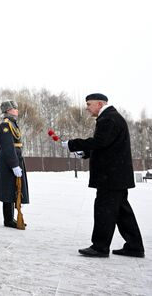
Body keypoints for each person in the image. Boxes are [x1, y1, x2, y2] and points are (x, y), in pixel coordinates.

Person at [62, 93, 145, 258]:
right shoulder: (111, 117)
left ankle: (100, 247)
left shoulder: (108, 119)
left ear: (99, 104)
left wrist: (73, 144)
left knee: (104, 210)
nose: (87, 108)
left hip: (111, 176)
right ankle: (135, 246)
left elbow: (100, 142)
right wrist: (84, 152)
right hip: (116, 175)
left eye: (89, 104)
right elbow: (106, 146)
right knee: (122, 212)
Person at [0, 100, 29, 228]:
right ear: (8, 110)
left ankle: (11, 218)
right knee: (8, 190)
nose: (17, 110)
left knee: (14, 189)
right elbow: (8, 147)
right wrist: (14, 165)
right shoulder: (5, 125)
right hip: (9, 162)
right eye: (14, 108)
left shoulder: (13, 124)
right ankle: (8, 220)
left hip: (15, 158)